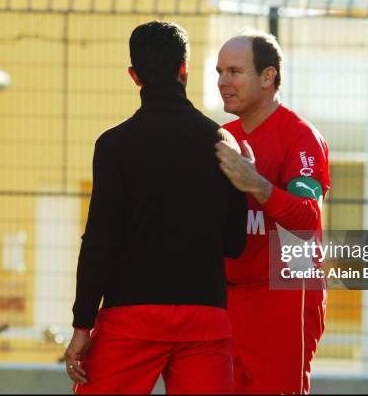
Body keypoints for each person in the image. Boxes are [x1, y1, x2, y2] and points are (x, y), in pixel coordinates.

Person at [64, 20, 247, 395]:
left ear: (134, 76)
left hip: (132, 318)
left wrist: (82, 325)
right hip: (205, 317)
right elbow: (234, 244)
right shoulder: (223, 141)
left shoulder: (114, 145)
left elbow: (100, 240)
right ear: (185, 69)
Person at [214, 30, 331, 394]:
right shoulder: (220, 137)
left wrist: (257, 184)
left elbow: (307, 217)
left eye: (234, 71)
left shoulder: (300, 137)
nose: (222, 82)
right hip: (226, 296)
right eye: (219, 71)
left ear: (268, 77)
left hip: (284, 293)